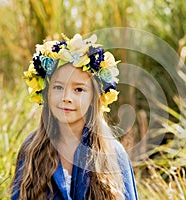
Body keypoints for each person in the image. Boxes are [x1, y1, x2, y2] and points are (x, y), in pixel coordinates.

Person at [11, 33, 138, 199]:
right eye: (58, 87)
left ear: (94, 97)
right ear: (46, 93)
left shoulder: (113, 152)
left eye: (79, 89)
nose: (66, 97)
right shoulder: (31, 148)